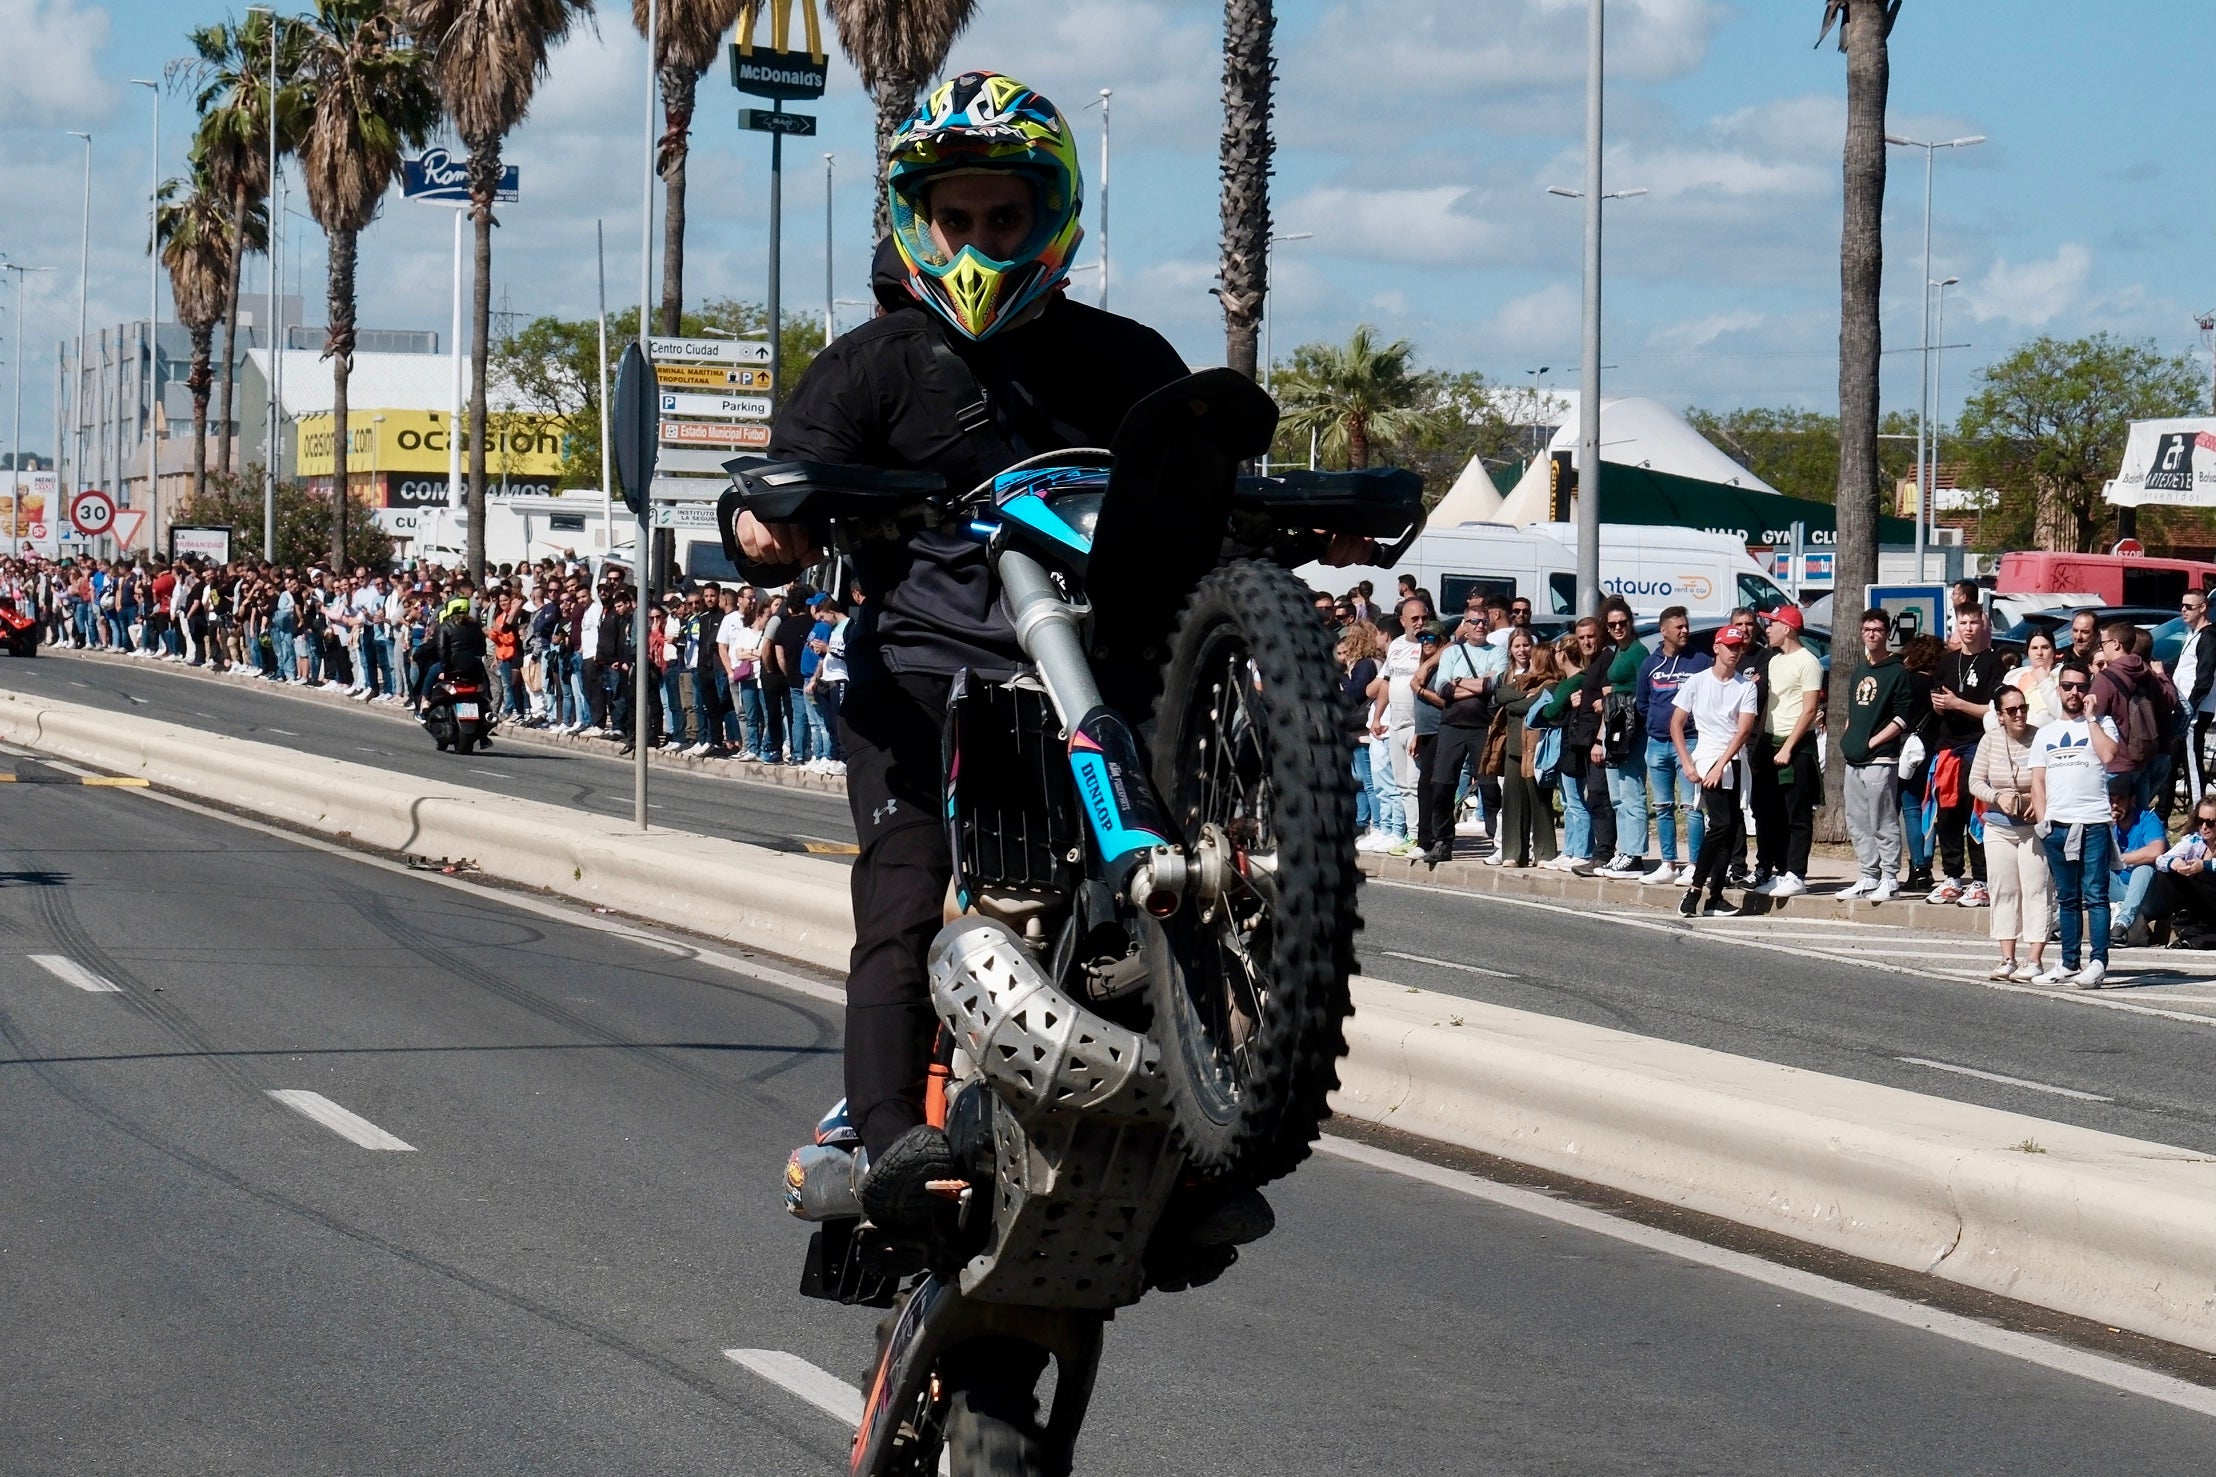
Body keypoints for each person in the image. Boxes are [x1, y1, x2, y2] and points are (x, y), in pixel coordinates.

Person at [733, 71, 1304, 1245]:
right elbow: (771, 507)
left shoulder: (1129, 358)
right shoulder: (867, 364)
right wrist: (767, 529)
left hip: (1096, 688)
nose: (981, 240)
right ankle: (886, 1139)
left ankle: (1192, 1147)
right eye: (959, 219)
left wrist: (1307, 524)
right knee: (899, 905)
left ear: (1051, 220)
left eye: (1005, 218)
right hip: (926, 690)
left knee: (1170, 896)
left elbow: (1213, 495)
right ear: (917, 222)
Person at [2029, 660, 2121, 989]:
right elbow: (2037, 781)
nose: (2074, 692)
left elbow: (2110, 756)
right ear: (2059, 690)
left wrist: (2092, 718)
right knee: (2067, 898)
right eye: (2068, 686)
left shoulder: (2102, 724)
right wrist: (2043, 822)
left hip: (2093, 822)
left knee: (2095, 894)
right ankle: (2069, 961)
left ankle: (2098, 962)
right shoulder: (2046, 733)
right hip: (2058, 825)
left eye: (2081, 687)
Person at [1671, 625, 1758, 918]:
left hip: (1732, 761)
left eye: (1739, 647)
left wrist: (1724, 764)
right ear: (1716, 648)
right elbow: (1676, 724)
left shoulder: (1746, 686)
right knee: (1720, 824)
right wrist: (1687, 762)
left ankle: (1715, 897)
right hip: (1708, 758)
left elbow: (1744, 729)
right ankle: (1695, 887)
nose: (1735, 652)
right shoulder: (1697, 682)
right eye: (1730, 646)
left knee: (1730, 828)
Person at [1969, 685, 2049, 979]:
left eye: (2023, 708)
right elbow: (1974, 781)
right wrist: (1996, 796)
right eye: (2012, 710)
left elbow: (2052, 778)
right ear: (1999, 715)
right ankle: (2007, 958)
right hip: (1999, 826)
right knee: (2004, 889)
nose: (2019, 715)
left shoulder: (2040, 737)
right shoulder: (1989, 741)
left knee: (2036, 889)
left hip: (2032, 827)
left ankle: (2035, 959)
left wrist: (2039, 801)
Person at [1926, 600, 2002, 906]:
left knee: (1977, 813)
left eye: (1973, 622)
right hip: (1948, 746)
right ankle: (1952, 876)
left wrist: (1959, 705)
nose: (1968, 629)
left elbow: (1994, 710)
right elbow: (1937, 700)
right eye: (1963, 623)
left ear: (1983, 624)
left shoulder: (1993, 663)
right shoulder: (1947, 662)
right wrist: (1941, 705)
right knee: (1948, 814)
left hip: (1978, 745)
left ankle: (1981, 880)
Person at [1634, 606, 1710, 886]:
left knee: (1691, 807)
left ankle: (1694, 864)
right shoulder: (1650, 664)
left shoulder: (1700, 661)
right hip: (1657, 743)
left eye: (1686, 626)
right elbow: (1642, 703)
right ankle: (1668, 863)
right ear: (1663, 630)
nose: (1684, 631)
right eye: (1678, 627)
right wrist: (1657, 723)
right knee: (1663, 805)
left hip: (1690, 742)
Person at [1751, 603, 1823, 898]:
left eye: (1772, 624)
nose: (1767, 629)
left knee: (1797, 813)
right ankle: (1781, 871)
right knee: (1772, 813)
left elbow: (1809, 710)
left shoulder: (1809, 662)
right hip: (1770, 743)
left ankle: (1796, 873)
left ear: (1788, 628)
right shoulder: (1774, 661)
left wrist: (1789, 747)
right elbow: (1771, 702)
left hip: (1796, 747)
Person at [1425, 611, 1504, 864]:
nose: (1480, 626)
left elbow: (1494, 686)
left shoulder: (1497, 651)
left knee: (1489, 785)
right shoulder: (1452, 652)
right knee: (1442, 784)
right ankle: (1442, 841)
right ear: (1465, 626)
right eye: (1474, 622)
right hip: (1452, 726)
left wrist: (1460, 682)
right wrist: (1477, 685)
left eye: (1484, 622)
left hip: (1483, 727)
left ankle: (1498, 841)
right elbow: (1443, 688)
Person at [1485, 627, 1557, 868]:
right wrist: (1520, 699)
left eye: (1526, 645)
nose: (1522, 650)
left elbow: (1524, 705)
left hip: (1535, 744)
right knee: (1512, 799)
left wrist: (1518, 701)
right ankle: (1512, 852)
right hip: (1513, 743)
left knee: (1538, 799)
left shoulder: (1546, 679)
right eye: (1517, 646)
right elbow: (1500, 695)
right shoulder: (1506, 675)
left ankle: (1544, 852)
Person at [1591, 599, 1651, 880]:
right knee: (1616, 796)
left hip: (1630, 729)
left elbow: (1642, 689)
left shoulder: (1638, 651)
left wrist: (1612, 694)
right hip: (1614, 725)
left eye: (1622, 623)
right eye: (1612, 624)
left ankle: (1635, 854)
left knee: (1631, 792)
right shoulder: (1618, 651)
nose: (1617, 628)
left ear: (1630, 623)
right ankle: (1624, 850)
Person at [1542, 621, 1599, 873]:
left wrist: (1547, 707)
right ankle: (1570, 850)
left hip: (1571, 745)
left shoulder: (1572, 681)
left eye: (1556, 652)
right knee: (1567, 800)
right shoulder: (1574, 680)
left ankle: (1582, 851)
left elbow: (1551, 710)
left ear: (1563, 654)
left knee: (1574, 800)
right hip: (1569, 744)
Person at [2143, 799, 2216, 948]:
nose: (2204, 827)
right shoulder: (2194, 840)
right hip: (2202, 903)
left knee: (2202, 873)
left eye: (2210, 823)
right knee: (2166, 875)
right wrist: (2175, 863)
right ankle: (2184, 919)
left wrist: (2205, 865)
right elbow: (2161, 860)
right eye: (2199, 821)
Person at [2107, 780, 2169, 947]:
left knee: (2144, 868)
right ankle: (2061, 921)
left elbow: (2156, 851)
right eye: (2110, 799)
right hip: (2120, 890)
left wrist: (2119, 859)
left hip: (2150, 897)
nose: (2114, 805)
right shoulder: (2104, 823)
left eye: (2120, 799)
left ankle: (2122, 924)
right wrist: (2106, 830)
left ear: (2132, 800)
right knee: (2090, 868)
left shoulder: (2147, 819)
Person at [2172, 589, 2216, 800]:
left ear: (2203, 608)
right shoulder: (2193, 634)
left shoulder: (2209, 637)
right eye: (2182, 605)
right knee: (2175, 760)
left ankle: (2200, 813)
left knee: (2192, 762)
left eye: (2189, 606)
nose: (2183, 610)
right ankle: (2164, 811)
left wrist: (2190, 708)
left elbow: (2204, 679)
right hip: (2183, 708)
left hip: (2196, 710)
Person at [2007, 628, 2061, 727]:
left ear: (2053, 651)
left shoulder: (2063, 676)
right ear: (2028, 652)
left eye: (2045, 647)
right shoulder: (2014, 677)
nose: (2039, 652)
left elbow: (2061, 712)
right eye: (2034, 648)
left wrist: (2045, 681)